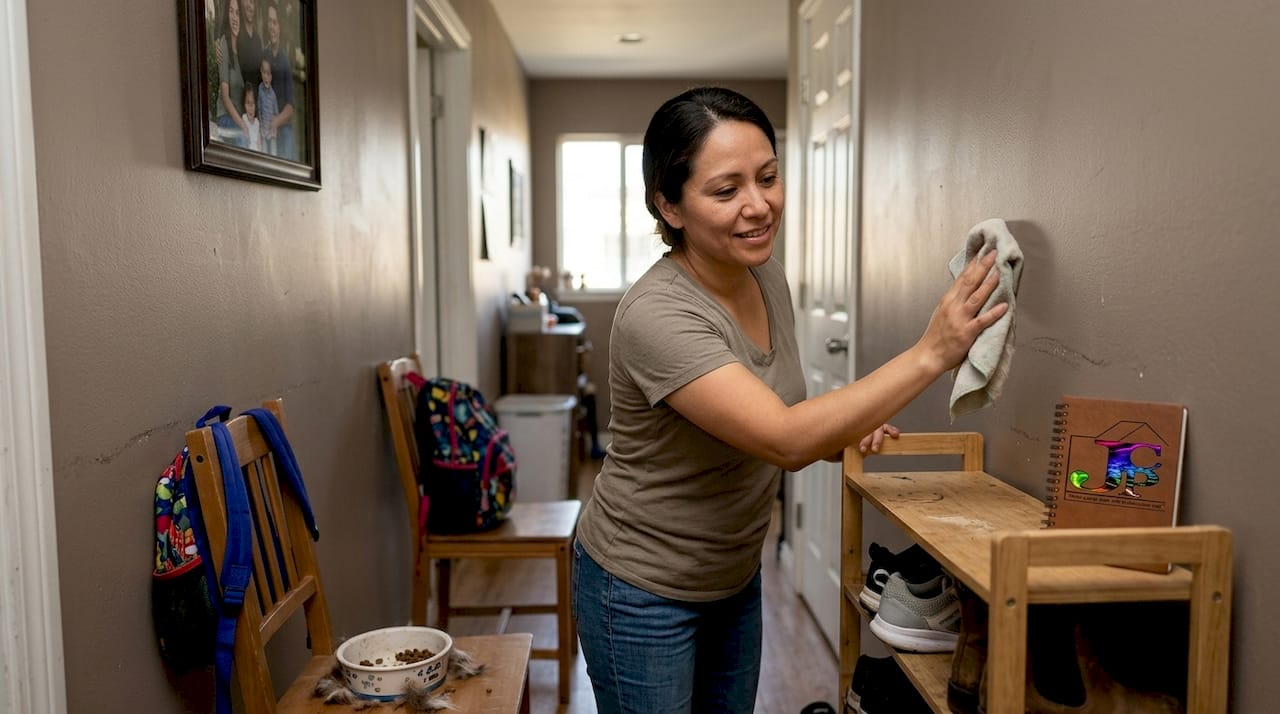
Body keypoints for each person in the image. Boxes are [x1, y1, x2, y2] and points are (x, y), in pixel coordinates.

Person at [570, 86, 1009, 714]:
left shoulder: (763, 273)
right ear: (669, 205)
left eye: (768, 178)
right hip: (640, 588)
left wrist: (841, 431)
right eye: (726, 190)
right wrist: (932, 352)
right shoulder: (656, 314)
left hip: (732, 575)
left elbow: (770, 419)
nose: (758, 206)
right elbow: (783, 438)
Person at [262, 1, 296, 160]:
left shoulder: (285, 62)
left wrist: (276, 121)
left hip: (283, 128)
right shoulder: (264, 56)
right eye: (269, 21)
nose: (272, 27)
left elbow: (290, 107)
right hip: (266, 128)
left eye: (275, 22)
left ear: (280, 27)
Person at [212, 0, 249, 147]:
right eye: (231, 12)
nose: (234, 18)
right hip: (226, 117)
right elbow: (226, 99)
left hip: (239, 119)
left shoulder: (242, 51)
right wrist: (243, 126)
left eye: (238, 13)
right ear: (226, 16)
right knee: (243, 140)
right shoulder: (223, 45)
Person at [256, 57, 278, 155]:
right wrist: (260, 127)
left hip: (271, 129)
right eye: (264, 72)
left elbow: (276, 113)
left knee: (273, 153)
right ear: (261, 72)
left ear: (271, 76)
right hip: (263, 129)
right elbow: (259, 108)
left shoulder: (273, 94)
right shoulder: (260, 89)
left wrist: (274, 127)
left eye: (268, 73)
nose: (266, 76)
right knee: (264, 152)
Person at [241, 83, 261, 152]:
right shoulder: (244, 119)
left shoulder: (257, 122)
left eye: (253, 103)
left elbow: (259, 143)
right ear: (243, 104)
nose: (250, 107)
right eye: (248, 103)